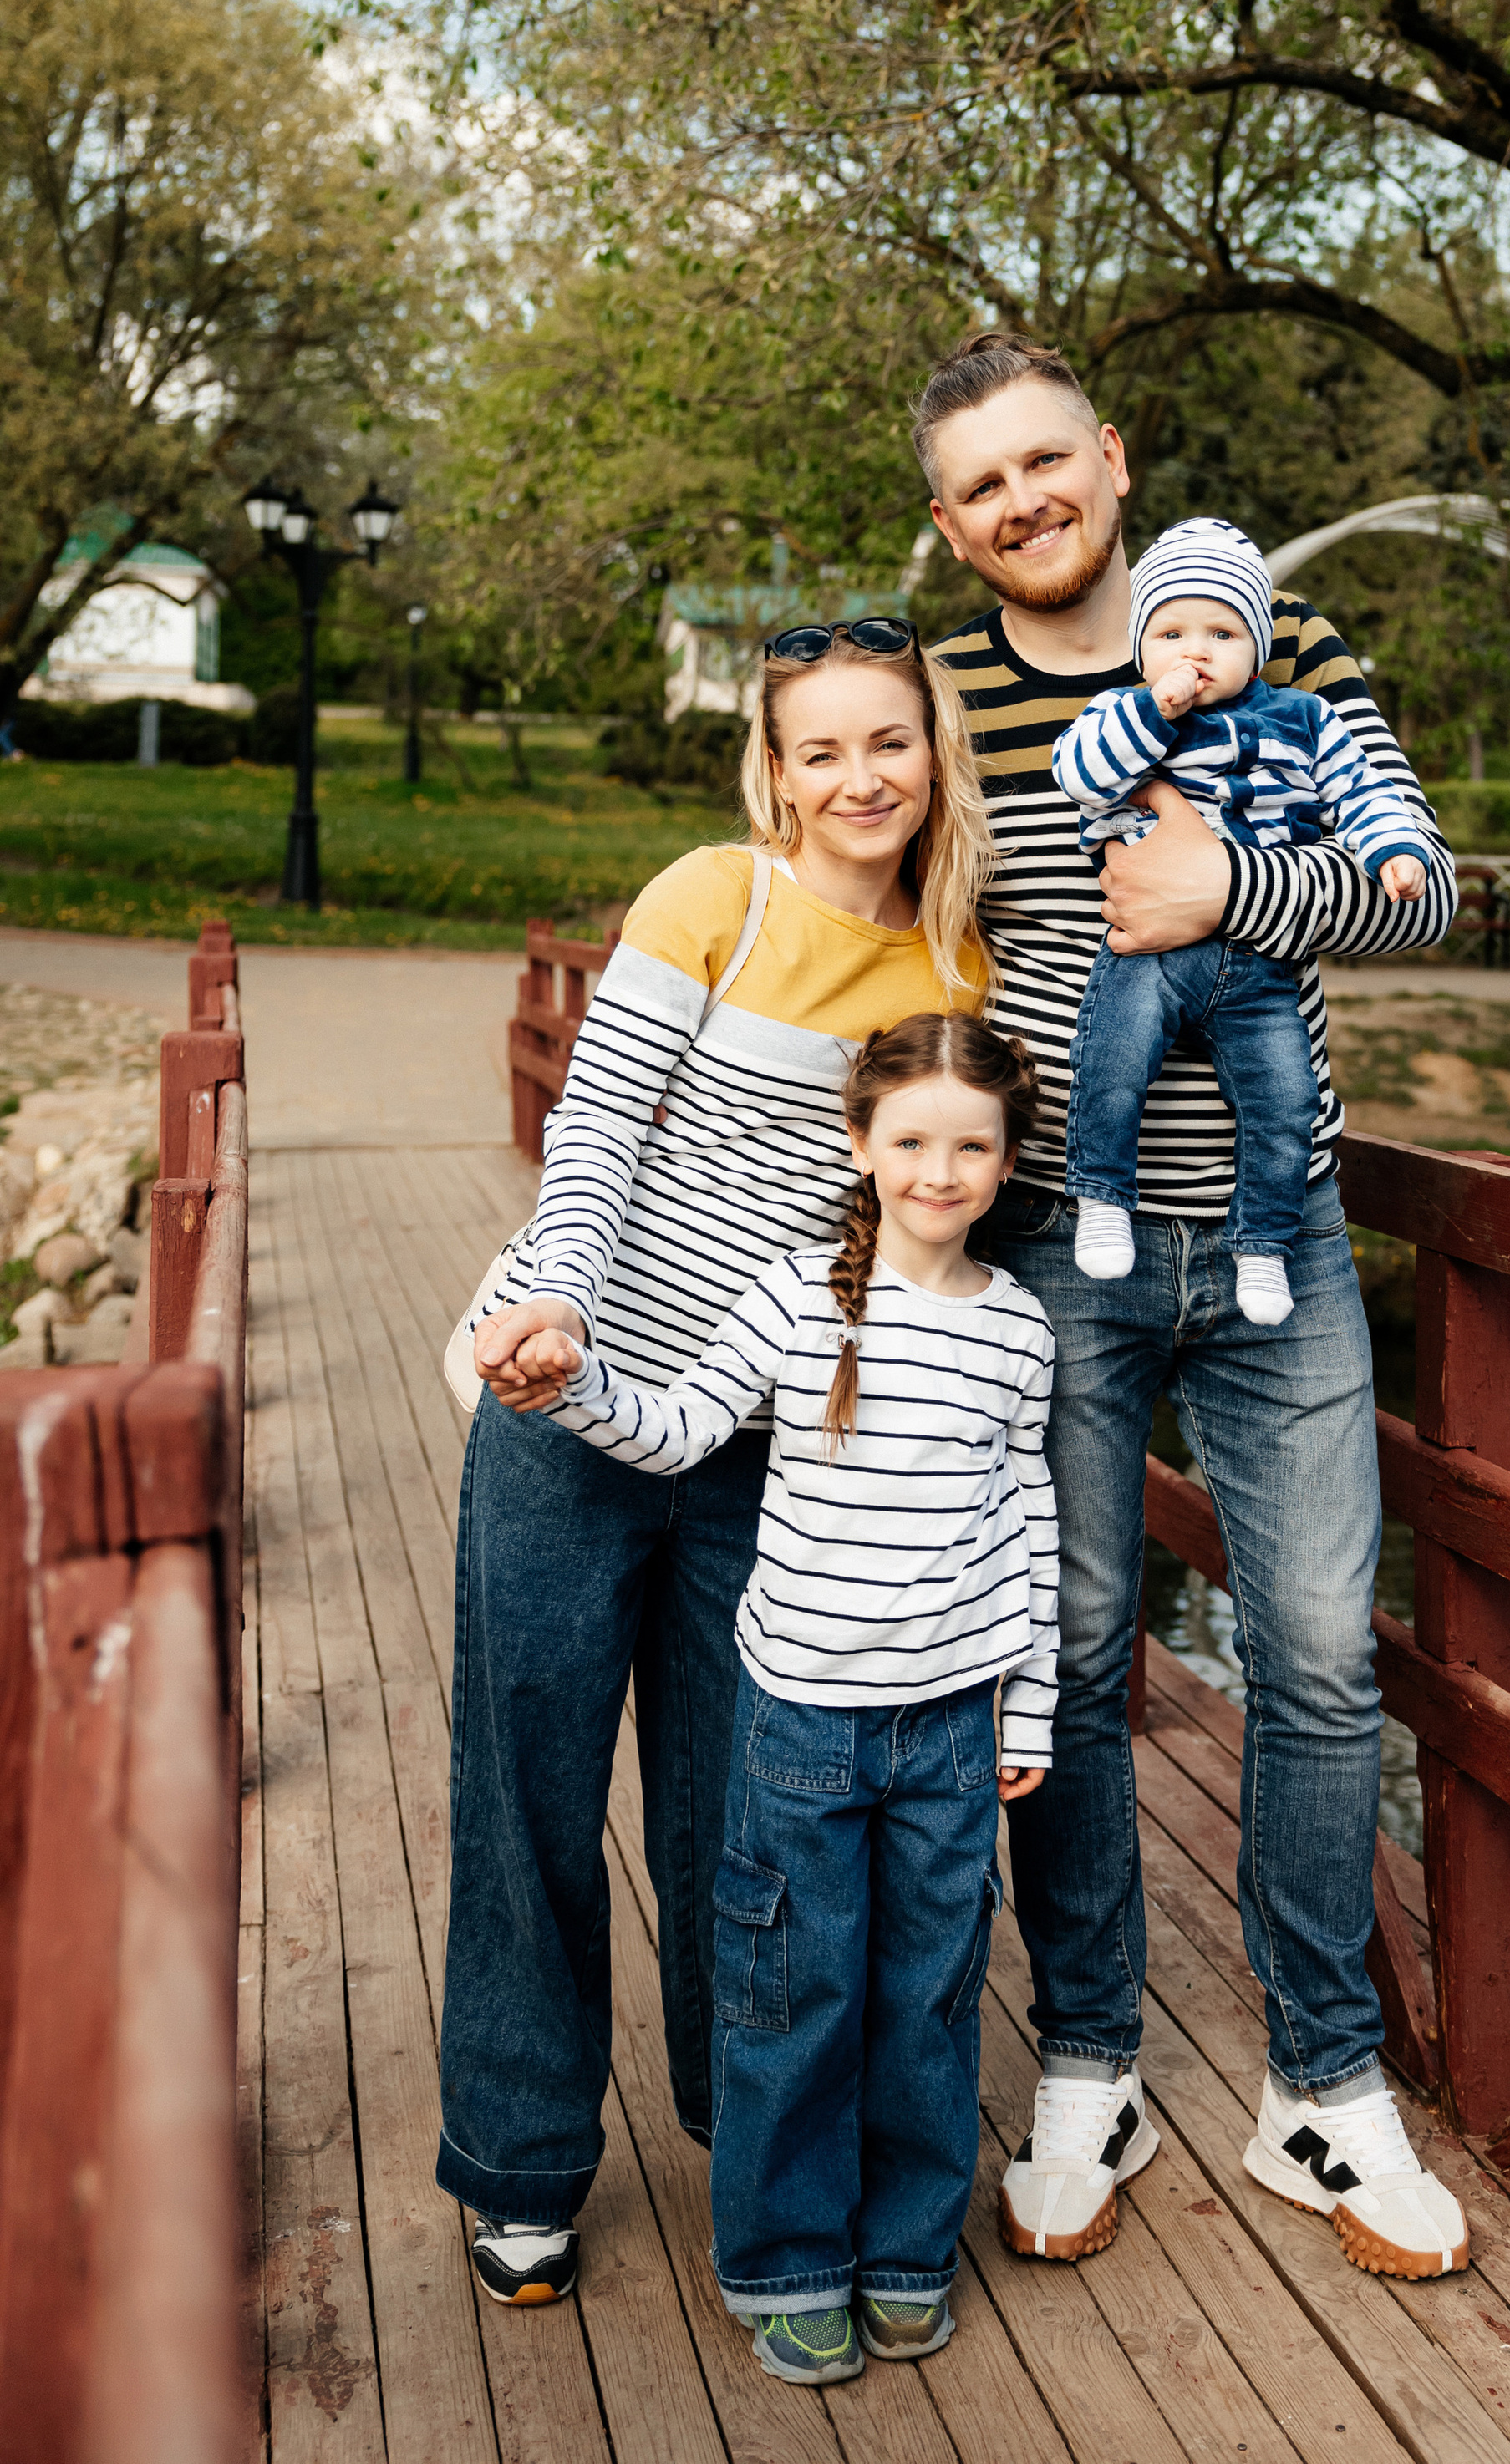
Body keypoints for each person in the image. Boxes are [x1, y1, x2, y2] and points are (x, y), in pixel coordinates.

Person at [918, 328, 1472, 2287]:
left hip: (1275, 1238)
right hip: (1049, 1242)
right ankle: (1092, 2057)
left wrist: (1225, 885)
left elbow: (1419, 890)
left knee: (1316, 1651)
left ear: (1111, 456)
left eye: (1043, 461)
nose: (1022, 502)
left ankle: (1320, 2076)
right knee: (1069, 1654)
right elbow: (881, 928)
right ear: (950, 524)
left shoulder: (1281, 638)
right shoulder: (947, 692)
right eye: (980, 485)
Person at [438, 621, 994, 2308]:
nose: (858, 777)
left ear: (932, 751)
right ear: (776, 769)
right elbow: (597, 1134)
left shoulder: (956, 972)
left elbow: (921, 1226)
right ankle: (523, 2159)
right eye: (821, 749)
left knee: (736, 1821)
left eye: (887, 741)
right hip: (569, 1406)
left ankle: (738, 2122)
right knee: (528, 1793)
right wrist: (554, 1303)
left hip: (767, 1453)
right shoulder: (711, 899)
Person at [487, 1014, 1055, 2388]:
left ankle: (907, 2251)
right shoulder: (800, 1299)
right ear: (860, 1145)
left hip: (950, 1729)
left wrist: (1028, 1708)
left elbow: (1029, 1521)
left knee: (928, 1997)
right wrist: (576, 1386)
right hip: (802, 1720)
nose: (938, 1171)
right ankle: (790, 2261)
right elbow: (683, 1430)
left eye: (969, 1147)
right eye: (909, 1140)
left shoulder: (1020, 1328)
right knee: (795, 1990)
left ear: (1006, 1159)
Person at [1052, 516, 1435, 1326]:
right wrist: (1154, 710)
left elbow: (1362, 791)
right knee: (1112, 1057)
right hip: (1147, 955)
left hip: (1260, 964)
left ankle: (1263, 1242)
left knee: (1285, 1098)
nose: (1194, 652)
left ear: (1256, 648)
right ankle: (1101, 1196)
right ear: (1140, 646)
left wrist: (1393, 850)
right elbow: (1080, 775)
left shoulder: (1306, 718)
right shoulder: (1121, 712)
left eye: (1221, 634)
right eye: (1170, 634)